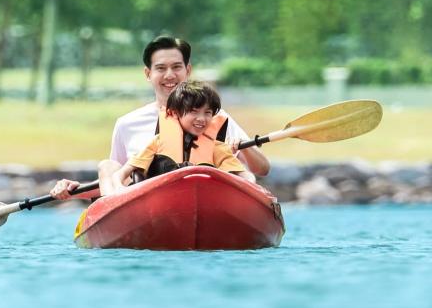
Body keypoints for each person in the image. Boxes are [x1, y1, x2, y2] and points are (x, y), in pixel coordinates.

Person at [50, 34, 269, 200]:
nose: (170, 75)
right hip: (147, 204)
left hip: (208, 198)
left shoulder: (216, 118)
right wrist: (75, 191)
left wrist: (244, 147)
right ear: (148, 74)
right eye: (161, 68)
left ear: (188, 70)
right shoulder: (128, 124)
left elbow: (260, 170)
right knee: (107, 165)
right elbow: (116, 181)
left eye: (176, 67)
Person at [98, 80, 252, 198]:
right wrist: (119, 188)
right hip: (158, 200)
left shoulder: (217, 147)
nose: (201, 119)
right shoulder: (158, 142)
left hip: (204, 199)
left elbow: (247, 177)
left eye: (208, 113)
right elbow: (121, 174)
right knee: (106, 167)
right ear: (176, 113)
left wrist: (247, 190)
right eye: (194, 111)